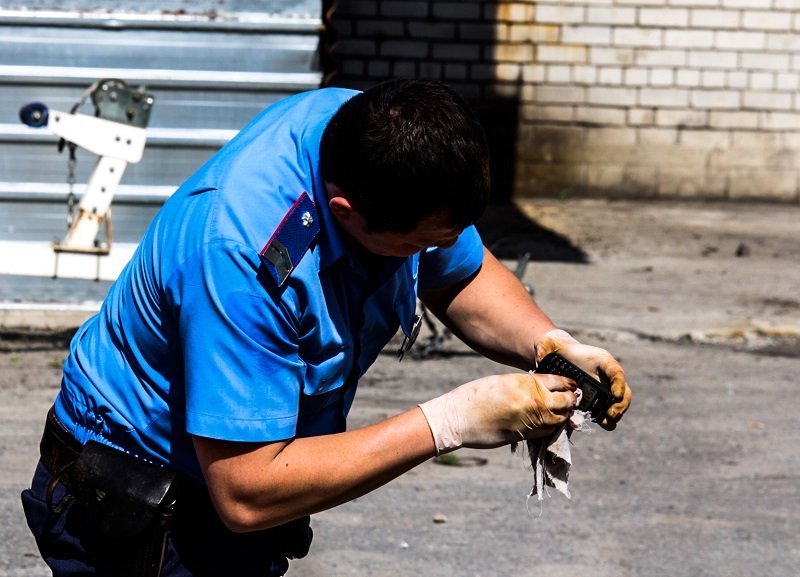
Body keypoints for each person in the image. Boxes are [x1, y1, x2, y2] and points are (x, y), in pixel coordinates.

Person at [21, 79, 631, 577]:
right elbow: (246, 490)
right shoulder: (243, 256)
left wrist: (548, 343)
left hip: (232, 492)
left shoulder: (365, 134)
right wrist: (450, 421)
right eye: (417, 244)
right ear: (346, 213)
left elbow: (458, 271)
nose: (432, 253)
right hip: (141, 499)